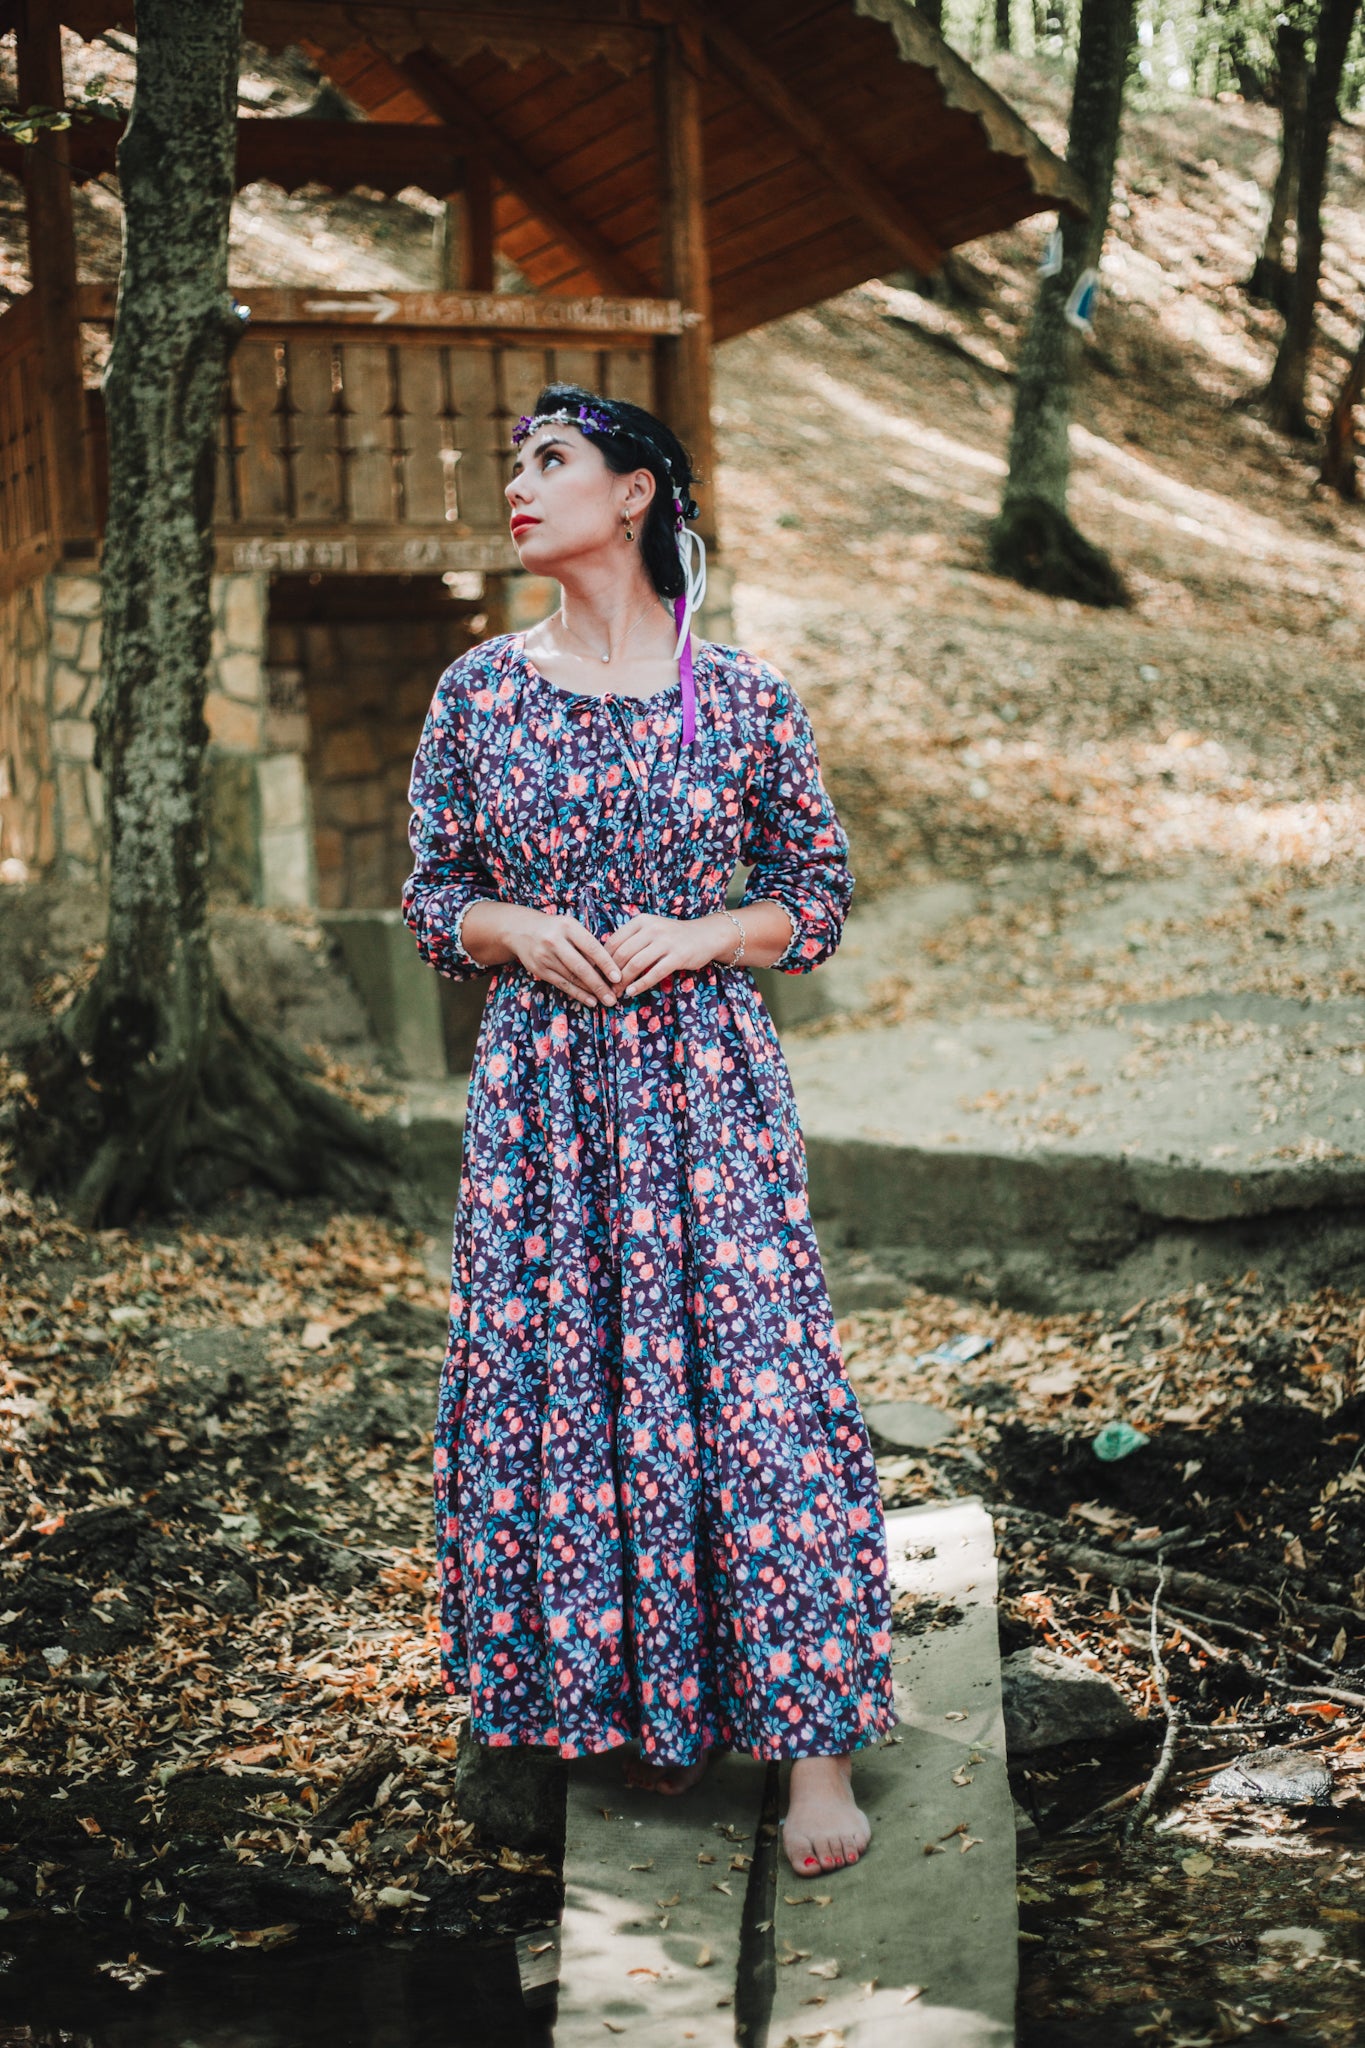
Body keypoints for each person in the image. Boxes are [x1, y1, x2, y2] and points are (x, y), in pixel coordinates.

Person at [402, 384, 894, 1877]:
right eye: (515, 464)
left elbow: (813, 895)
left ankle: (812, 1754)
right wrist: (519, 929)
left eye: (551, 463)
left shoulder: (738, 697)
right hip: (546, 1099)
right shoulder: (477, 692)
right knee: (571, 1385)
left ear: (634, 497)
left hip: (706, 1089)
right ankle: (615, 1703)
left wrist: (693, 939)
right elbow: (432, 899)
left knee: (756, 1389)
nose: (519, 486)